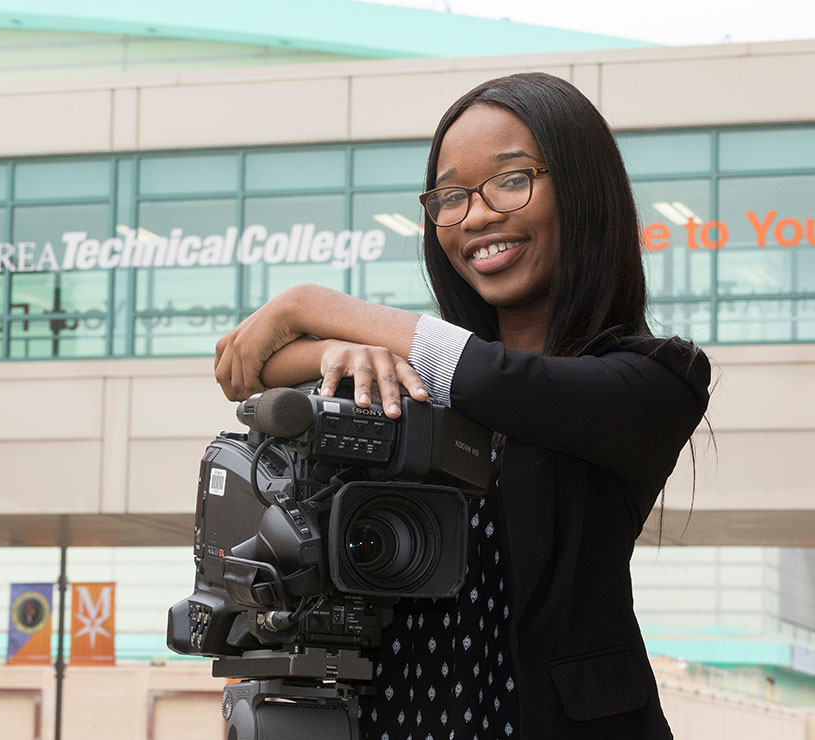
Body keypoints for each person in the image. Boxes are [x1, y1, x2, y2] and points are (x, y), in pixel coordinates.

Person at [214, 72, 710, 740]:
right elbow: (241, 365)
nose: (475, 216)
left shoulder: (653, 377)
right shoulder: (419, 385)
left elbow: (497, 382)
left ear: (584, 190)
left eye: (511, 180)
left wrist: (311, 306)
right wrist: (336, 352)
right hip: (390, 716)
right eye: (451, 196)